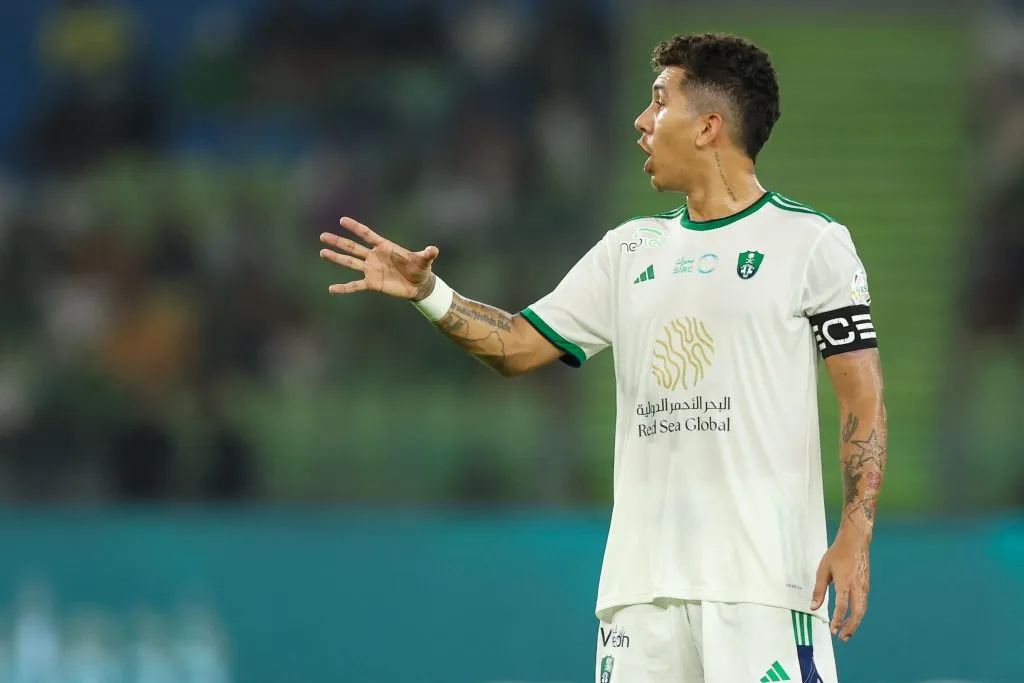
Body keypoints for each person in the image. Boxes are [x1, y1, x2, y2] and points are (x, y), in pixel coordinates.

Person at [319, 32, 887, 683]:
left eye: (658, 103)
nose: (641, 122)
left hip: (761, 588)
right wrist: (429, 292)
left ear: (708, 126)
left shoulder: (811, 244)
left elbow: (861, 398)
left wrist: (855, 533)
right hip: (638, 599)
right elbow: (515, 344)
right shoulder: (629, 251)